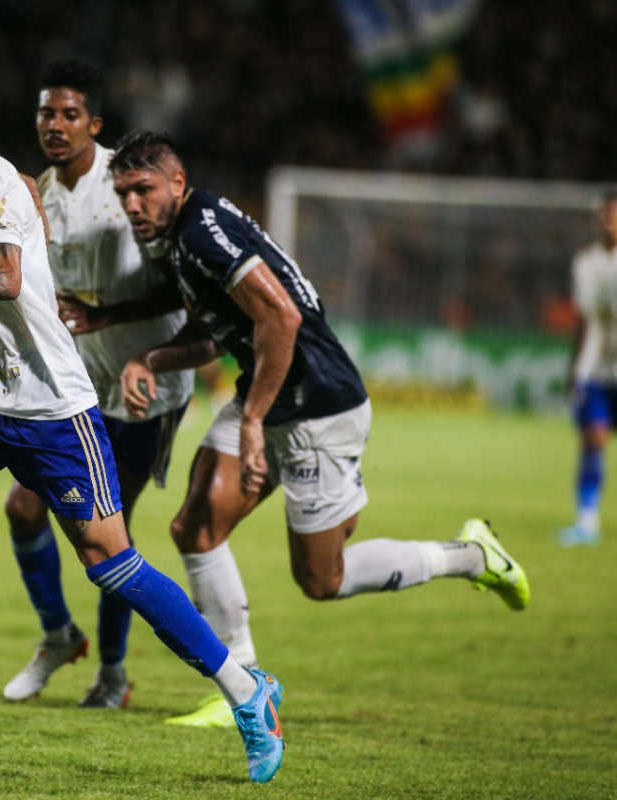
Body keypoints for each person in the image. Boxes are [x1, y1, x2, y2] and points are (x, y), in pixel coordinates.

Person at [0, 60, 284, 782]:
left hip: (53, 412)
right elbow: (16, 220)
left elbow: (3, 277)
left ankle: (245, 690)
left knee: (112, 565)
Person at [105, 129, 531, 717]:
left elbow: (281, 318)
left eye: (143, 189)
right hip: (269, 393)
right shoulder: (180, 237)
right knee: (196, 527)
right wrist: (149, 358)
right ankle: (245, 688)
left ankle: (470, 556)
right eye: (123, 193)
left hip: (317, 406)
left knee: (321, 580)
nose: (132, 204)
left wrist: (252, 419)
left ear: (176, 183)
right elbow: (216, 333)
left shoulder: (201, 229)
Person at [0, 59, 195, 710]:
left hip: (147, 388)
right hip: (77, 383)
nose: (55, 125)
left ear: (95, 124)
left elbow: (182, 286)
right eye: (45, 113)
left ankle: (112, 674)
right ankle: (59, 635)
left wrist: (108, 317)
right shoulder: (35, 193)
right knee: (23, 507)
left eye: (69, 114)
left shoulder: (128, 182)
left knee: (109, 537)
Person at [560, 189, 617, 547]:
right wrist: (572, 369)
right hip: (594, 369)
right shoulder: (585, 263)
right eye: (604, 216)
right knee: (593, 439)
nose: (608, 222)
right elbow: (581, 319)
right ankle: (587, 520)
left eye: (613, 216)